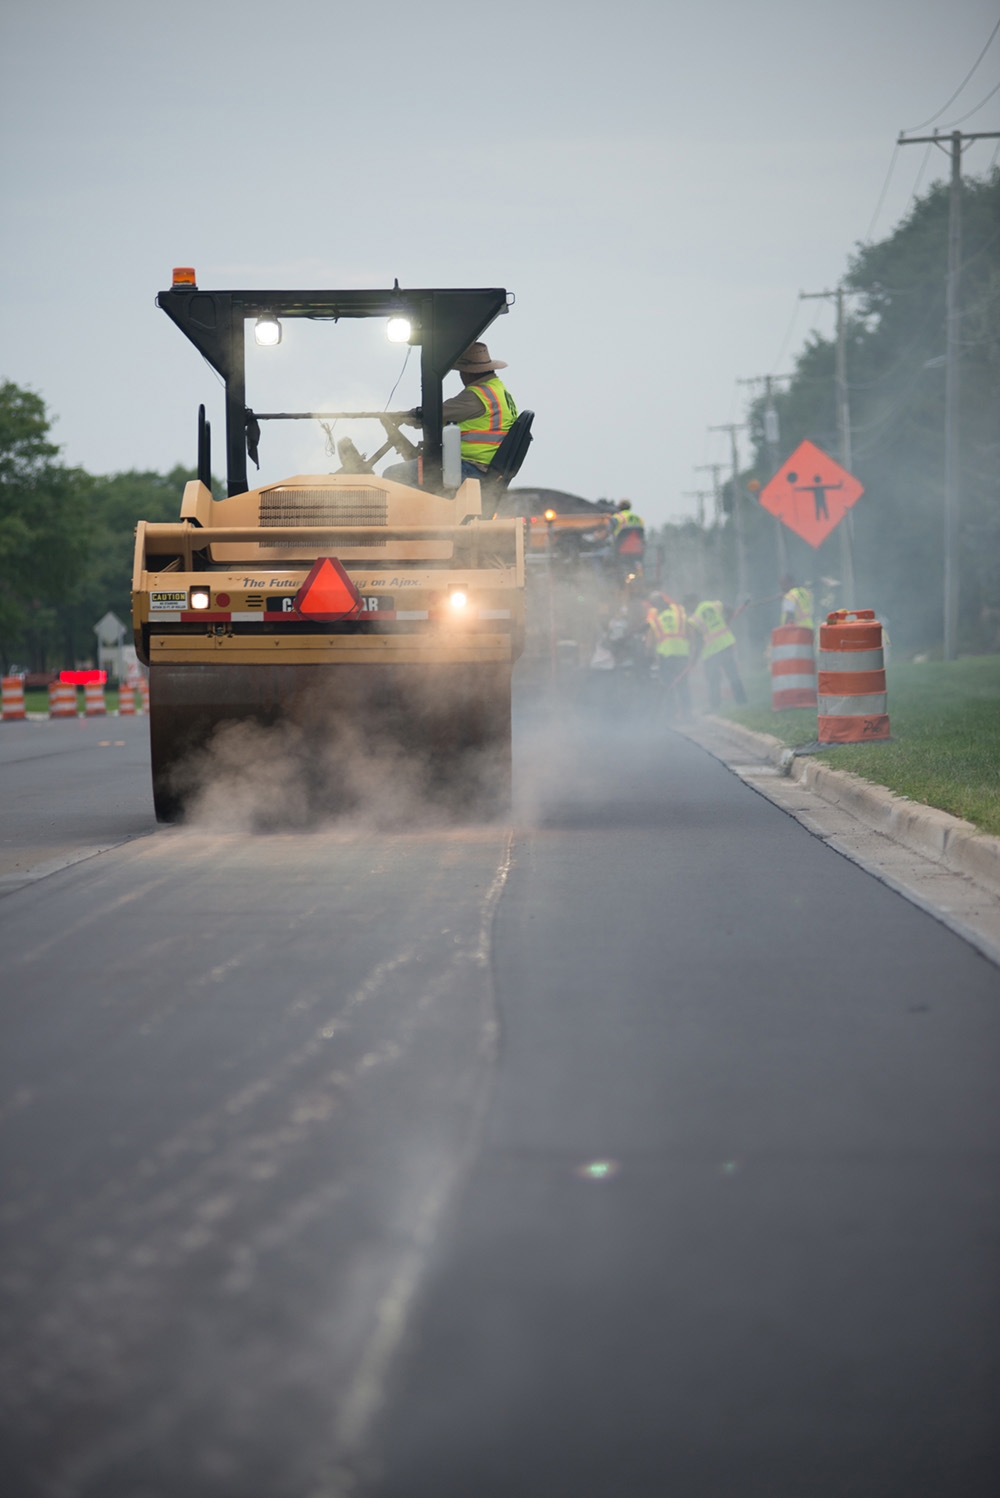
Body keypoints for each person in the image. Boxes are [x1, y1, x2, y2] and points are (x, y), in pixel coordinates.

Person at [387, 342, 518, 486]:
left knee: (394, 474)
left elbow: (434, 414)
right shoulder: (498, 390)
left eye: (461, 371)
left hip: (471, 468)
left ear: (468, 372)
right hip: (484, 467)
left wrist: (409, 416)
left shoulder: (476, 396)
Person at [683, 594, 747, 710]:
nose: (688, 609)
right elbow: (730, 609)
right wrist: (726, 621)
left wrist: (694, 659)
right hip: (726, 643)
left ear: (691, 602)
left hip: (711, 651)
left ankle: (715, 706)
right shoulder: (712, 604)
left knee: (713, 679)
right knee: (733, 674)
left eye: (687, 605)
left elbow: (698, 641)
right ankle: (741, 701)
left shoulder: (694, 619)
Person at [646, 591, 691, 720]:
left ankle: (670, 714)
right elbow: (690, 634)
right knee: (683, 685)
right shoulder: (680, 616)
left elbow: (649, 643)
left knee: (668, 686)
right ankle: (687, 715)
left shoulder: (656, 621)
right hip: (682, 654)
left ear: (655, 605)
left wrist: (650, 656)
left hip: (666, 657)